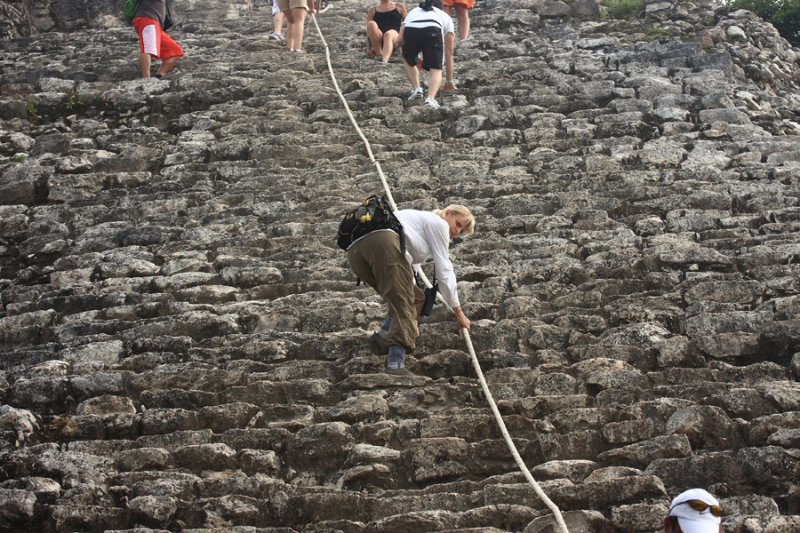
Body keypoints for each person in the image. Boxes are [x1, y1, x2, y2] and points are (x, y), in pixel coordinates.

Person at [346, 204, 475, 374]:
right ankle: (395, 363)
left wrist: (410, 318)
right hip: (383, 244)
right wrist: (459, 312)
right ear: (447, 213)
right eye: (458, 224)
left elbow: (409, 276)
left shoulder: (415, 224)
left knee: (413, 297)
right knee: (407, 301)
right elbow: (444, 270)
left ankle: (384, 334)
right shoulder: (439, 224)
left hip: (356, 253)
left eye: (462, 230)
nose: (457, 231)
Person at [398, 0, 455, 109]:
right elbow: (449, 50)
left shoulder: (413, 11)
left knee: (408, 61)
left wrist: (413, 57)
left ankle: (416, 88)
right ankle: (430, 98)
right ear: (440, 7)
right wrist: (449, 80)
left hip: (411, 28)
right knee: (436, 68)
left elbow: (399, 39)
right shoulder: (445, 16)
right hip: (433, 28)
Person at [132, 0, 184, 79]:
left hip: (156, 23)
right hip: (147, 19)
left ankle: (158, 76)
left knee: (176, 51)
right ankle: (146, 79)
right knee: (147, 49)